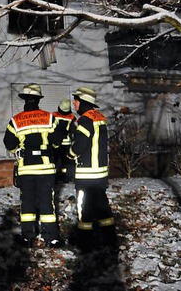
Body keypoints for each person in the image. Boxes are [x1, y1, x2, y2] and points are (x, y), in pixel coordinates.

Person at [3, 83, 65, 248]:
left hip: (26, 168)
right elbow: (58, 141)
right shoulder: (49, 118)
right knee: (47, 202)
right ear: (38, 100)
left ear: (24, 100)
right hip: (46, 168)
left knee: (27, 203)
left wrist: (19, 150)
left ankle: (27, 237)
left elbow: (9, 143)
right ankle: (51, 237)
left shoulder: (16, 121)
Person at [69, 86, 118, 252]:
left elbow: (80, 145)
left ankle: (85, 244)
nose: (74, 103)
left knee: (85, 210)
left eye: (76, 100)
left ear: (82, 102)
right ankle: (110, 240)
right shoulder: (99, 117)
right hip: (100, 174)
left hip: (86, 175)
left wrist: (69, 154)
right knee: (103, 208)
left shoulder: (85, 120)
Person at [52, 98, 76, 183]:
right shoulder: (72, 117)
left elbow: (52, 129)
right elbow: (73, 130)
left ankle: (56, 178)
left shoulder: (54, 116)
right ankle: (67, 178)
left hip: (56, 144)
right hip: (67, 143)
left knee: (56, 161)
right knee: (67, 162)